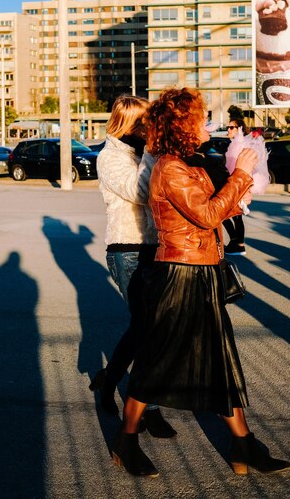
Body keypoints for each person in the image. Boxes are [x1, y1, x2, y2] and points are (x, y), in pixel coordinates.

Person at [112, 88, 290, 478]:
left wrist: (243, 180)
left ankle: (244, 445)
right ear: (183, 126)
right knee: (156, 364)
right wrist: (242, 173)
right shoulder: (170, 169)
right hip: (178, 275)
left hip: (204, 271)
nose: (207, 123)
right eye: (201, 117)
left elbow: (220, 206)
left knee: (222, 362)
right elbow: (209, 215)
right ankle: (126, 441)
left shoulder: (191, 164)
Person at [90, 95, 176, 438]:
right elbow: (140, 191)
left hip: (156, 249)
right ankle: (149, 409)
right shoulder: (110, 157)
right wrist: (154, 152)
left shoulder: (141, 153)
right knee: (149, 331)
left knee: (144, 328)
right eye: (144, 122)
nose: (148, 128)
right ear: (128, 122)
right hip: (127, 250)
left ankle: (108, 380)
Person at [223, 118, 249, 256]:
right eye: (228, 127)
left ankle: (237, 244)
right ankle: (238, 244)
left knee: (228, 214)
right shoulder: (235, 143)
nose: (228, 129)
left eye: (231, 127)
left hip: (236, 183)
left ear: (239, 129)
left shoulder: (240, 144)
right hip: (236, 183)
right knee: (235, 215)